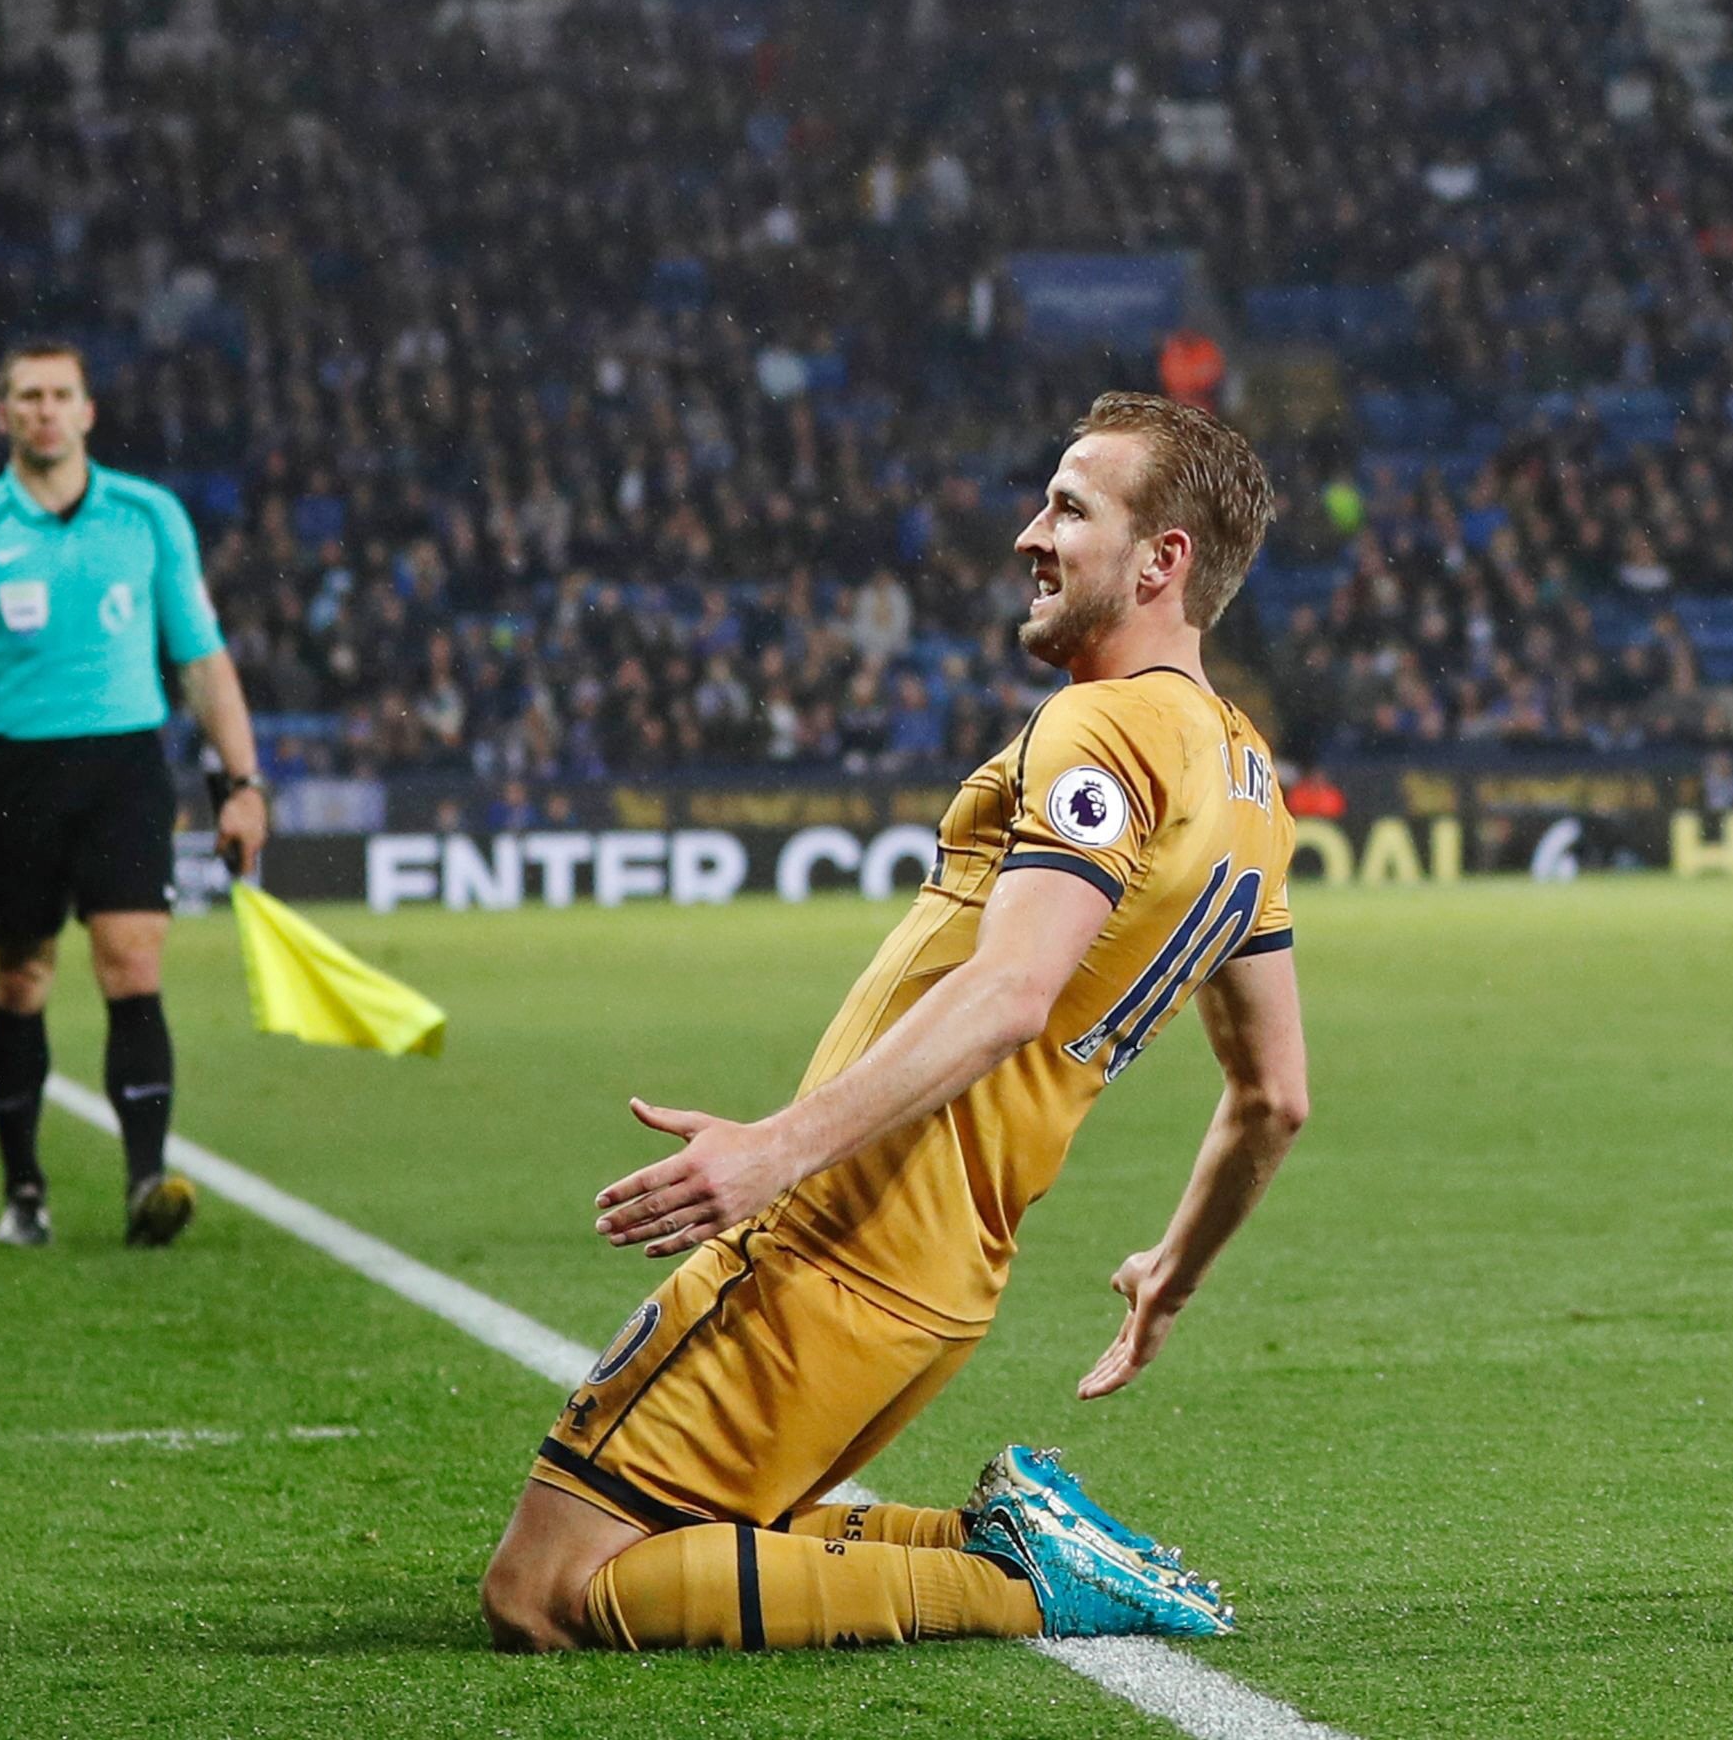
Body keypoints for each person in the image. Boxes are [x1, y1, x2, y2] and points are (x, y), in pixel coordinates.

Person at [481, 392, 1312, 1654]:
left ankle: (1019, 1584)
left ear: (1165, 560)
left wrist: (772, 1152)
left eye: (1071, 509)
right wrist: (1170, 1277)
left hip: (840, 1237)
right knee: (714, 1532)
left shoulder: (1107, 722)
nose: (1031, 533)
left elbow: (1010, 989)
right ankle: (1021, 1543)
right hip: (941, 1274)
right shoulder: (1251, 785)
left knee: (546, 1590)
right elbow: (1274, 1098)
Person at [0, 342, 268, 1248]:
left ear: (88, 411)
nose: (46, 410)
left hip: (126, 770)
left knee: (133, 966)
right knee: (21, 977)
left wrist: (243, 783)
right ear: (3, 415)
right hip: (15, 776)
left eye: (61, 394)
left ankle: (147, 1180)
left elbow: (202, 660)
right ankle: (24, 1189)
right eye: (28, 395)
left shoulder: (149, 517)